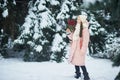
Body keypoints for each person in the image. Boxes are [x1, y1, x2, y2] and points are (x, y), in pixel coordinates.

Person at [66, 15, 90, 80]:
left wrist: (83, 50)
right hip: (75, 48)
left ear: (82, 20)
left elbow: (85, 41)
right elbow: (73, 37)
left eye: (78, 19)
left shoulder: (85, 29)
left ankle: (86, 76)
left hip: (80, 48)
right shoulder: (77, 27)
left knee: (81, 62)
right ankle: (77, 73)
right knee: (75, 61)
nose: (77, 20)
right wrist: (69, 33)